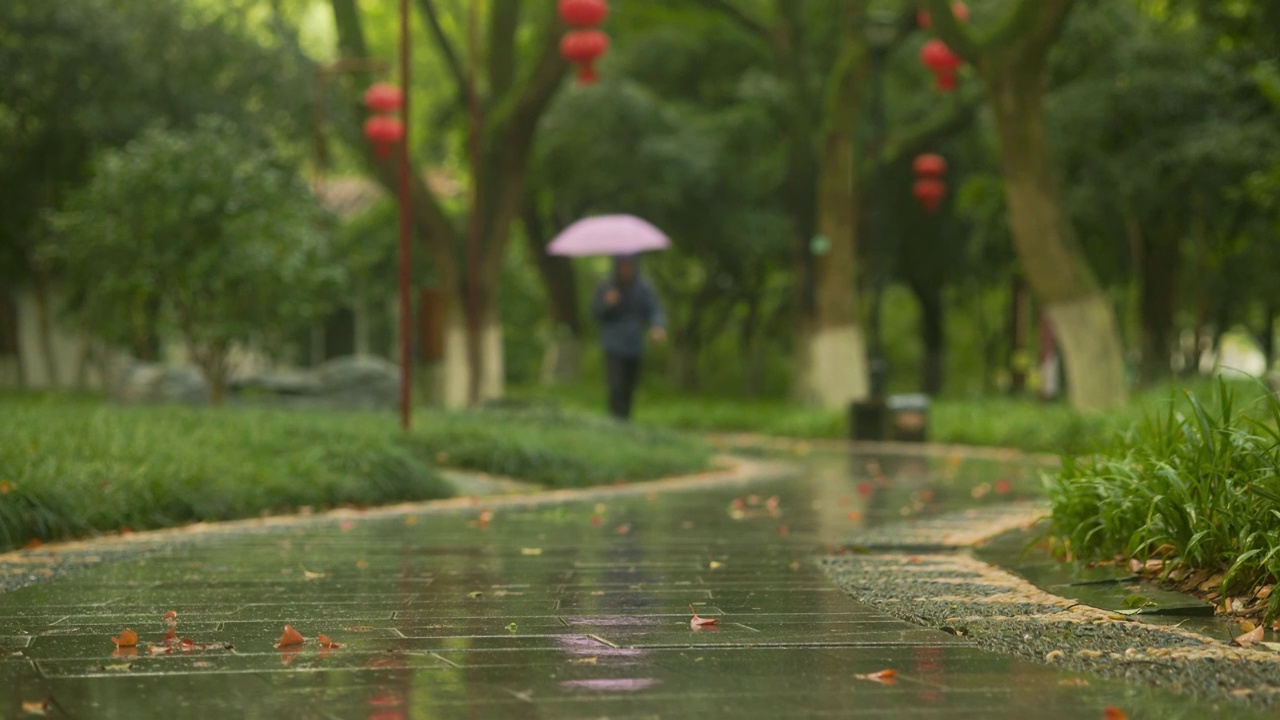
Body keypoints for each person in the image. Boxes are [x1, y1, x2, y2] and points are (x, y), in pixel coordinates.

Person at [592, 255, 665, 420]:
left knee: (630, 385)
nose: (626, 270)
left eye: (629, 266)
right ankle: (614, 420)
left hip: (634, 343)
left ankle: (625, 420)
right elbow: (595, 313)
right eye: (622, 267)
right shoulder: (606, 287)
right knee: (616, 385)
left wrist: (657, 327)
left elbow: (654, 310)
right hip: (613, 344)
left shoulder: (643, 288)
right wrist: (608, 304)